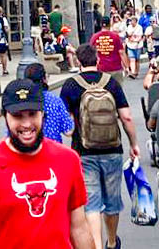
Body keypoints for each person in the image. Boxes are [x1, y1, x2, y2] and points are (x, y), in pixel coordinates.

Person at [0, 78, 95, 249]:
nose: (26, 124)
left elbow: (79, 229)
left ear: (42, 114)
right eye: (18, 116)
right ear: (5, 117)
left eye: (32, 114)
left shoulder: (69, 160)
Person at [60, 44, 143, 249]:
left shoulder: (70, 85)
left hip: (84, 151)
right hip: (112, 149)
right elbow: (126, 117)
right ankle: (112, 242)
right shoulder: (111, 82)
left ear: (78, 61)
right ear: (97, 60)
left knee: (92, 202)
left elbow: (68, 129)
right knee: (112, 200)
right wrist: (133, 144)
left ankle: (96, 245)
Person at [27, 62, 75, 145]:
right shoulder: (54, 100)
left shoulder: (21, 102)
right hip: (53, 148)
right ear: (44, 79)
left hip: (28, 149)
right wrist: (72, 116)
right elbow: (68, 131)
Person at [0, 7, 12, 76]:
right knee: (3, 55)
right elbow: (6, 29)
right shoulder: (3, 19)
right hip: (1, 39)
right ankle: (4, 70)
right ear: (2, 12)